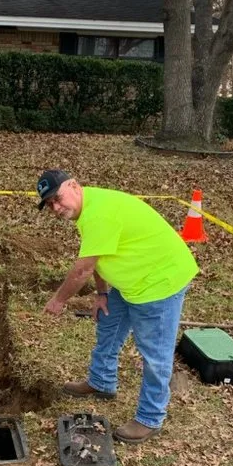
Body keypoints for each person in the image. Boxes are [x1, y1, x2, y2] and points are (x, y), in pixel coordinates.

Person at [37, 169, 198, 444]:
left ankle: (150, 417)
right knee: (109, 322)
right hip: (131, 279)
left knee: (155, 353)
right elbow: (98, 255)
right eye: (50, 204)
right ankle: (101, 381)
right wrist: (102, 293)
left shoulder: (98, 213)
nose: (56, 207)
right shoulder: (87, 208)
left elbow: (82, 270)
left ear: (74, 185)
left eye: (57, 198)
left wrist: (58, 300)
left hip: (158, 282)